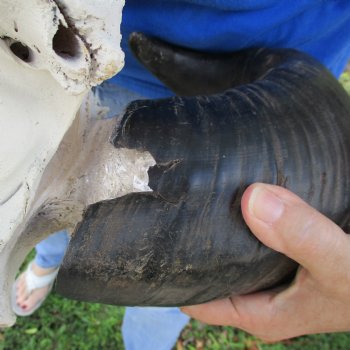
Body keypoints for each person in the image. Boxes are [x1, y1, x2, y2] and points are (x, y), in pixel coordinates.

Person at [13, 1, 350, 348]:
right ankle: (48, 261)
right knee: (51, 192)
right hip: (82, 46)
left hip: (279, 100)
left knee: (167, 288)